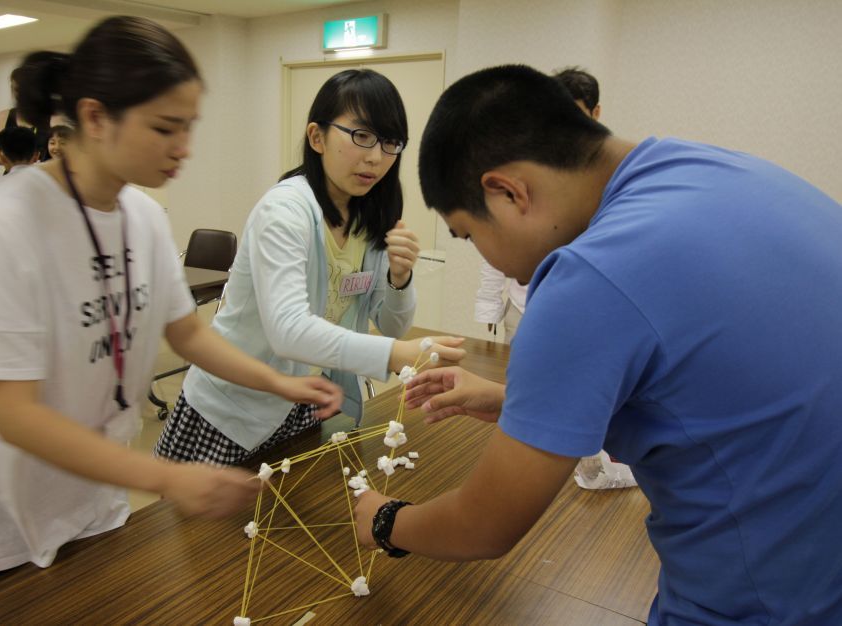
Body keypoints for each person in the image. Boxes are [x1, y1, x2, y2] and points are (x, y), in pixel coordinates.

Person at [355, 64, 842, 625]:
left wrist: (384, 519)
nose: (484, 257)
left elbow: (485, 525)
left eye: (468, 234)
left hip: (764, 600)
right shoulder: (711, 168)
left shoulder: (588, 276)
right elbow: (714, 382)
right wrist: (510, 400)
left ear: (508, 191)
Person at [0, 15, 342, 605]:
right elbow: (13, 414)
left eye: (189, 127)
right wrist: (167, 477)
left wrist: (279, 383)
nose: (183, 148)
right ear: (93, 117)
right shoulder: (5, 224)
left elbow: (186, 333)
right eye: (165, 128)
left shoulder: (141, 216)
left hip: (90, 491)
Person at [154, 69, 465, 466]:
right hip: (233, 410)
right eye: (361, 136)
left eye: (390, 142)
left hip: (305, 404)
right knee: (207, 527)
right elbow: (288, 330)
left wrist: (399, 279)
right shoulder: (285, 211)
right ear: (316, 137)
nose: (375, 157)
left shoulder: (370, 214)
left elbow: (392, 327)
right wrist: (397, 354)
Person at [475, 67, 600, 345]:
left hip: (584, 315)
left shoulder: (609, 173)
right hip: (523, 310)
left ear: (596, 114)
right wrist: (489, 305)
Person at [0, 65, 55, 166]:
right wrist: (23, 159)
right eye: (15, 89)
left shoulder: (51, 116)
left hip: (44, 174)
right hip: (15, 175)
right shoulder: (4, 116)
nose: (18, 94)